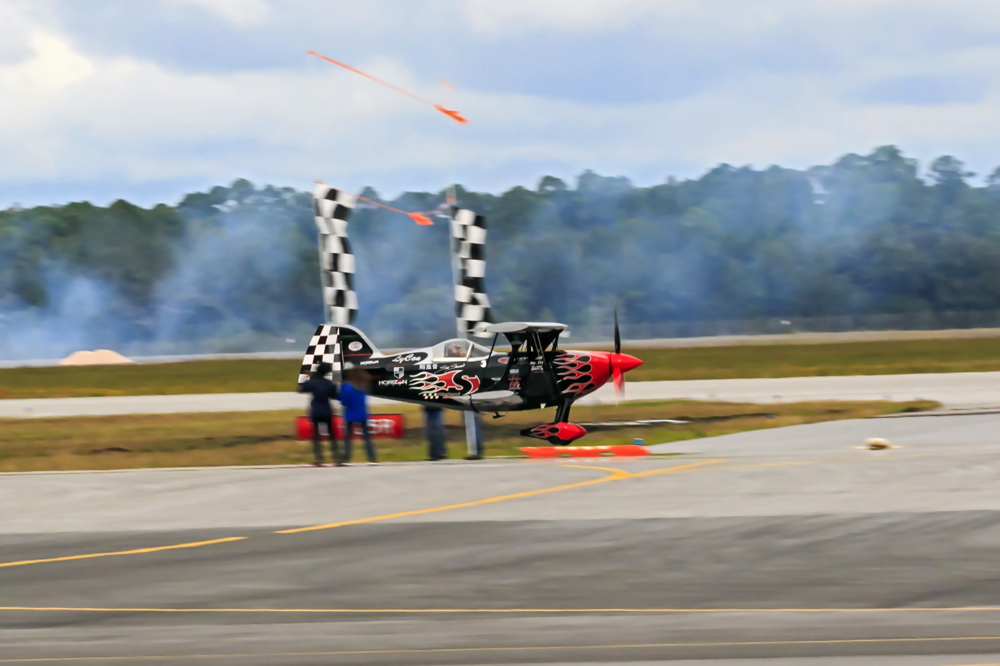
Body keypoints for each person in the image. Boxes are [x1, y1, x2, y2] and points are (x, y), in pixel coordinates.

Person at [297, 363, 340, 466]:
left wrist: (308, 378)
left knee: (316, 435)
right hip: (326, 409)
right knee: (331, 434)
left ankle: (319, 459)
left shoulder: (312, 382)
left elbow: (301, 389)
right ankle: (336, 458)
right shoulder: (329, 383)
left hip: (315, 410)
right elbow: (335, 396)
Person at [340, 367, 377, 466]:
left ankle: (346, 458)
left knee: (348, 437)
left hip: (350, 413)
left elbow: (344, 401)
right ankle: (372, 458)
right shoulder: (364, 385)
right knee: (366, 437)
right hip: (362, 412)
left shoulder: (347, 386)